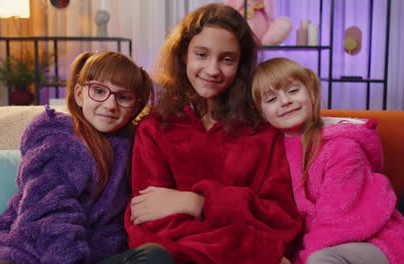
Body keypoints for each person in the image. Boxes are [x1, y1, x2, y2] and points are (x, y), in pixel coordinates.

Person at [124, 3, 302, 264]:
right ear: (184, 54)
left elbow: (280, 220)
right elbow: (148, 224)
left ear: (241, 65)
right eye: (202, 54)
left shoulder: (264, 131)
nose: (212, 70)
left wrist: (197, 203)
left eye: (227, 59)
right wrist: (256, 250)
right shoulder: (154, 128)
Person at [0, 51, 174, 264]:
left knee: (155, 255)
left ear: (136, 106)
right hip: (35, 253)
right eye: (99, 91)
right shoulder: (60, 140)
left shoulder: (128, 144)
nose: (110, 105)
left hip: (95, 255)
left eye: (123, 97)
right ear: (79, 95)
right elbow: (48, 210)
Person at [251, 57, 404, 264]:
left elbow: (341, 219)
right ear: (262, 112)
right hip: (323, 242)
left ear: (310, 91)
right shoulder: (275, 148)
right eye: (271, 99)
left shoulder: (342, 147)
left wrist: (303, 259)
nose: (285, 101)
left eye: (292, 91)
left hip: (375, 241)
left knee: (320, 260)